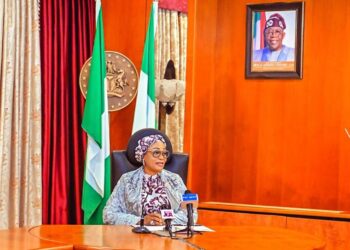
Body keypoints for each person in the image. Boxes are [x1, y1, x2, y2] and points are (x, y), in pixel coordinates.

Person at [103, 130, 197, 226]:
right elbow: (108, 214)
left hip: (168, 237)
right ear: (143, 155)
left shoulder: (175, 179)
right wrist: (141, 221)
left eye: (164, 153)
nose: (162, 157)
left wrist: (166, 220)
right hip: (136, 236)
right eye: (156, 152)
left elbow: (192, 214)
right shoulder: (127, 180)